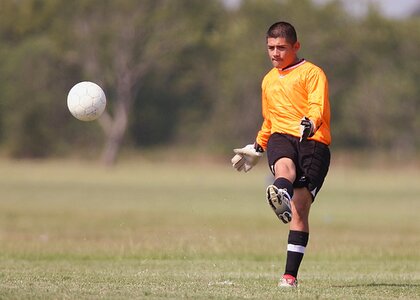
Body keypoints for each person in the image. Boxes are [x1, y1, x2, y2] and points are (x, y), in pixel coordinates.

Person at [231, 21, 331, 288]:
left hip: (312, 140)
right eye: (271, 48)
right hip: (281, 137)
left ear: (296, 46)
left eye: (281, 48)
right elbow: (270, 120)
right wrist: (257, 146)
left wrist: (310, 122)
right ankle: (281, 193)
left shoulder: (312, 73)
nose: (275, 53)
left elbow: (317, 106)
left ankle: (290, 276)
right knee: (284, 167)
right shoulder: (268, 80)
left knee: (300, 209)